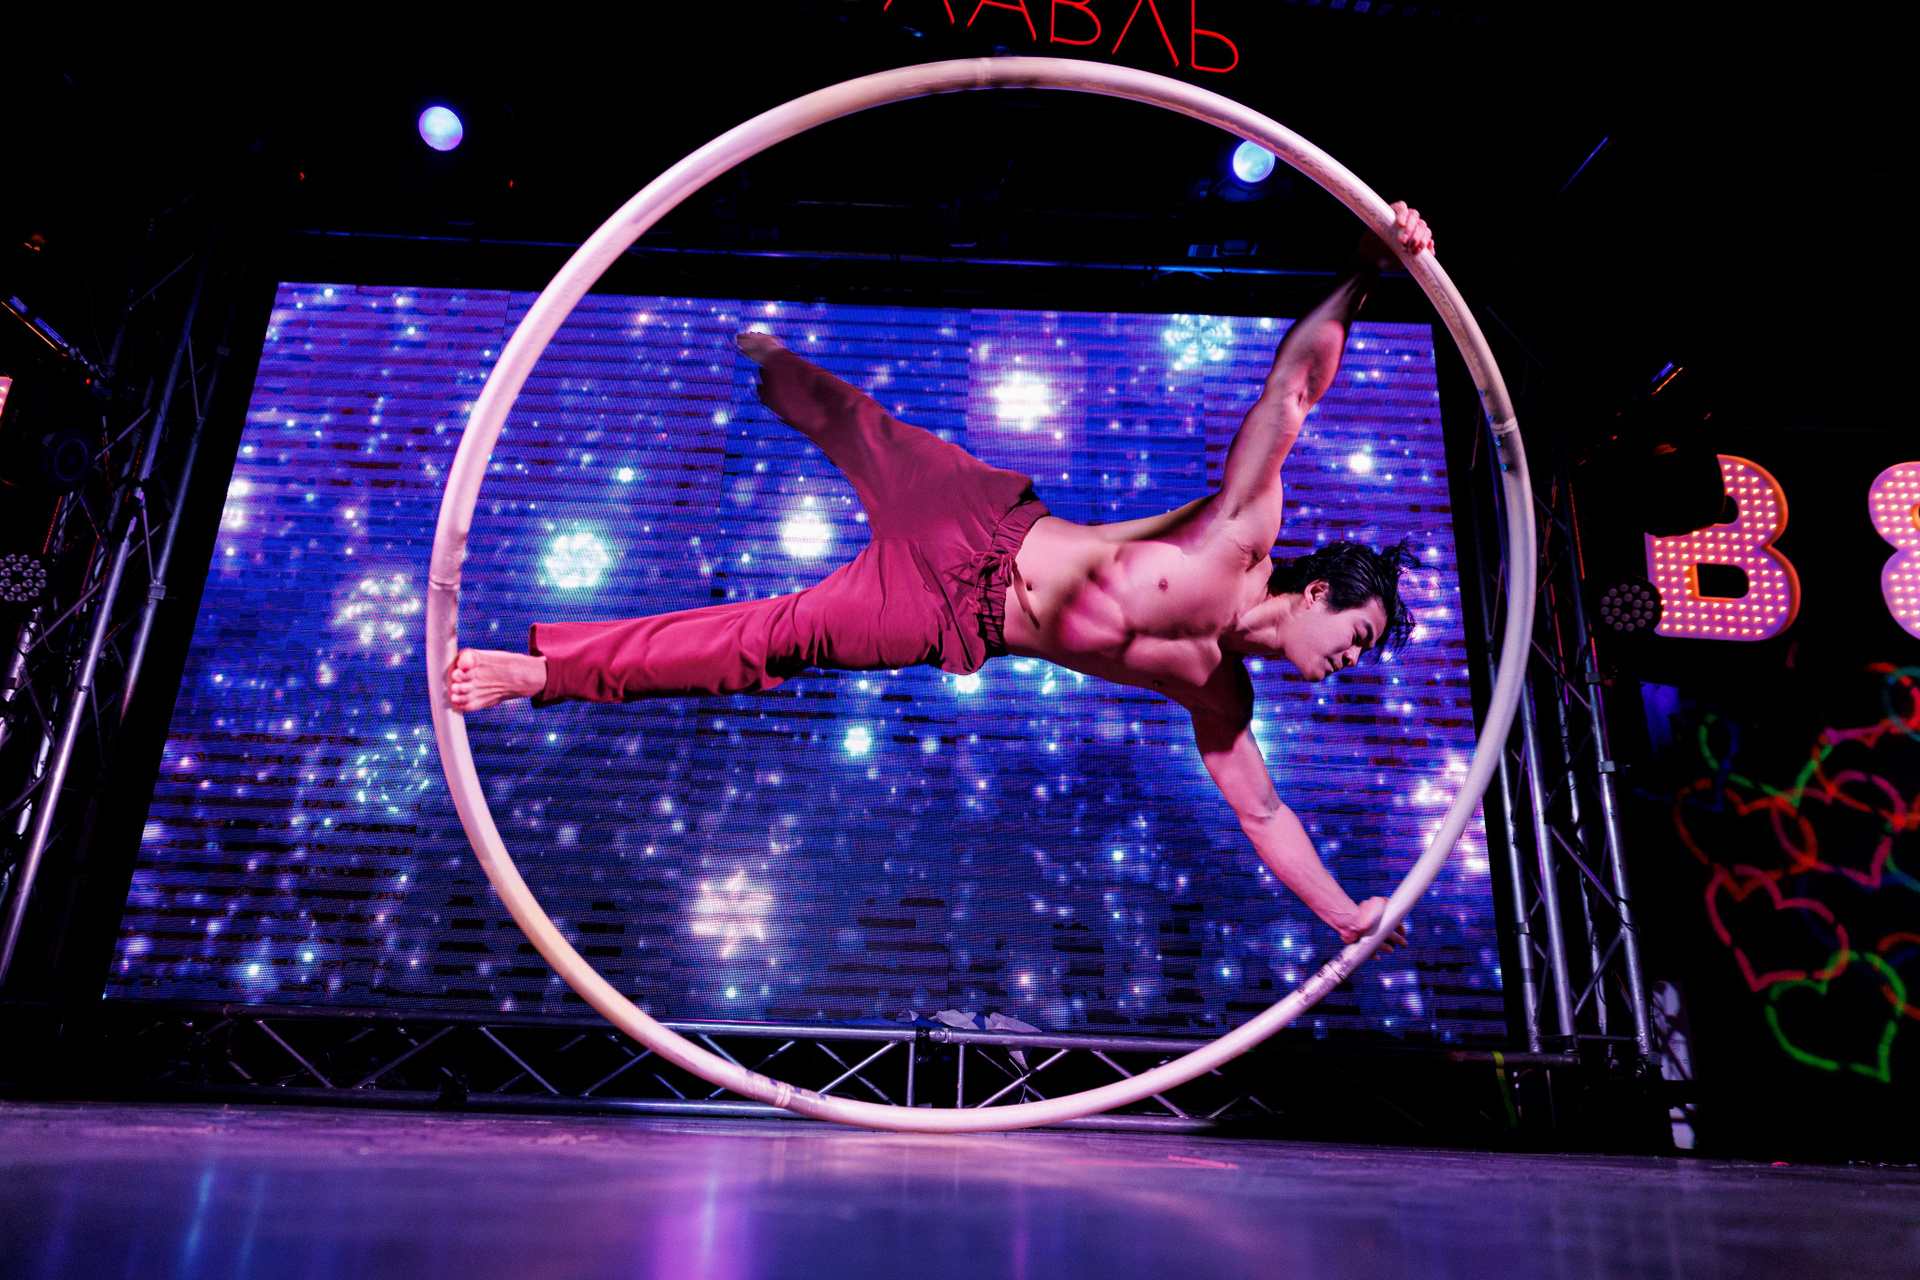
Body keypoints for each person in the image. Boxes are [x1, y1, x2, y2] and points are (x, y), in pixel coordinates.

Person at [449, 203, 1438, 955]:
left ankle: (545, 671)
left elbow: (1264, 813)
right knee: (856, 422)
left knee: (768, 639)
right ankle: (774, 360)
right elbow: (1293, 387)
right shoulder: (1241, 533)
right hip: (975, 516)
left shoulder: (1219, 695)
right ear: (1317, 594)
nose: (1346, 663)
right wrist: (1366, 267)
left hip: (948, 614)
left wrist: (1346, 912)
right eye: (1355, 638)